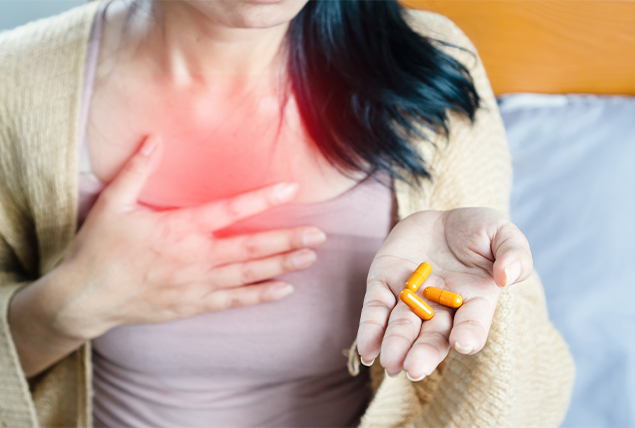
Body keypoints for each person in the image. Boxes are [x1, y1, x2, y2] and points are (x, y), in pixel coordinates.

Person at [0, 0, 574, 427]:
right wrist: (61, 308)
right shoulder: (17, 82)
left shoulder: (430, 65)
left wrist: (491, 305)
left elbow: (528, 394)